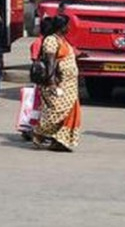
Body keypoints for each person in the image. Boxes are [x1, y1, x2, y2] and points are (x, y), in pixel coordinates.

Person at [33, 14, 82, 152]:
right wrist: (52, 82)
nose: (69, 28)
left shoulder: (63, 40)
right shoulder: (51, 40)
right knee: (57, 110)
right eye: (67, 25)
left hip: (70, 85)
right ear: (62, 26)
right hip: (58, 83)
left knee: (71, 111)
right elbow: (50, 62)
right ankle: (39, 132)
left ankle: (60, 141)